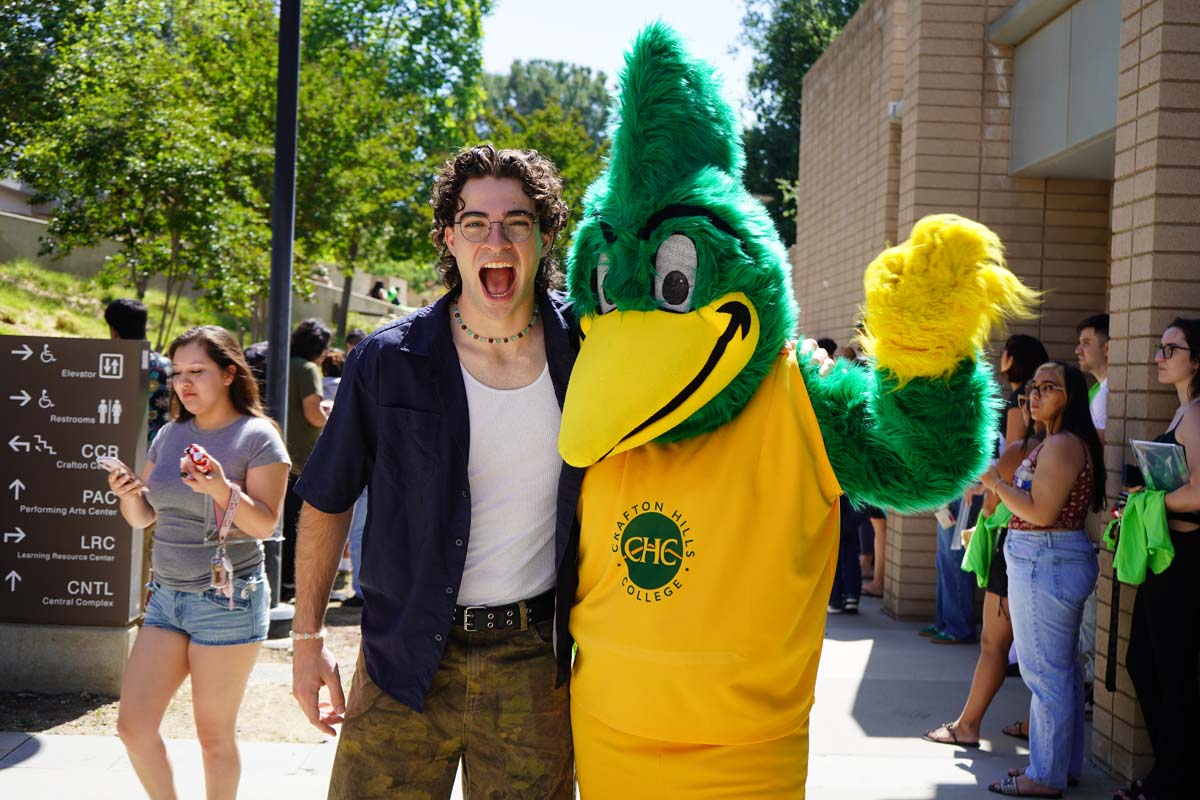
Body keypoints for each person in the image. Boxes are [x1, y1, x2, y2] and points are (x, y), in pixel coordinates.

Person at [290, 144, 579, 798]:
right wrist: (307, 640)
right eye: (476, 222)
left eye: (518, 221)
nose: (496, 239)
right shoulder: (388, 360)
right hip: (404, 655)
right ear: (450, 237)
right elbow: (328, 499)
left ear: (543, 235)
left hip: (533, 666)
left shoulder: (586, 351)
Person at [110, 325, 290, 800]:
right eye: (176, 374)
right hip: (166, 597)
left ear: (230, 374)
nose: (184, 384)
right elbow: (145, 515)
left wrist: (219, 488)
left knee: (213, 737)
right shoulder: (170, 434)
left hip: (227, 599)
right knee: (133, 727)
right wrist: (129, 496)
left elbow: (266, 525)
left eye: (197, 371)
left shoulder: (258, 437)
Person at [980, 361, 1104, 796]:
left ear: (1069, 397)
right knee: (1061, 673)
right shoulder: (1057, 442)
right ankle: (1059, 767)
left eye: (1048, 387)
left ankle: (1044, 775)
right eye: (1033, 387)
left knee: (1045, 675)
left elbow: (1040, 511)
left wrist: (996, 482)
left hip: (1045, 561)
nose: (1034, 395)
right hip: (1049, 561)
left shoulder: (1062, 445)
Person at [923, 382, 1042, 748]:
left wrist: (994, 488)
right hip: (1044, 554)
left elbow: (998, 506)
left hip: (1022, 550)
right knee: (1049, 659)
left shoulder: (1027, 449)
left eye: (1042, 391)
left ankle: (969, 725)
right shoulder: (1065, 445)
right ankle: (1041, 737)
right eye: (1027, 395)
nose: (1029, 402)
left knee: (1004, 647)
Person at [1115, 318, 1200, 800]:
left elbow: (1199, 493)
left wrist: (1146, 504)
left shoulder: (1197, 414)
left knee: (1167, 669)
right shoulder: (1182, 411)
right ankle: (1175, 773)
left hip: (1185, 559)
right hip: (1168, 555)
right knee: (1144, 663)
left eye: (1171, 348)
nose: (1159, 356)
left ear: (1197, 359)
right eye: (1159, 347)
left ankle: (1174, 781)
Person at [280, 318, 331, 601]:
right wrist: (331, 419)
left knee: (283, 524)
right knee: (299, 527)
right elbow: (312, 413)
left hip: (279, 455)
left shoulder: (284, 364)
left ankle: (282, 580)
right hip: (302, 457)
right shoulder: (309, 369)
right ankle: (291, 583)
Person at [1074, 313, 1109, 714]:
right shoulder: (1099, 392)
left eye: (1086, 341)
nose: (1079, 349)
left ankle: (1088, 693)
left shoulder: (1109, 393)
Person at [105, 298, 172, 446]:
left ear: (114, 333)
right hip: (162, 454)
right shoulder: (168, 366)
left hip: (122, 455)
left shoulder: (111, 370)